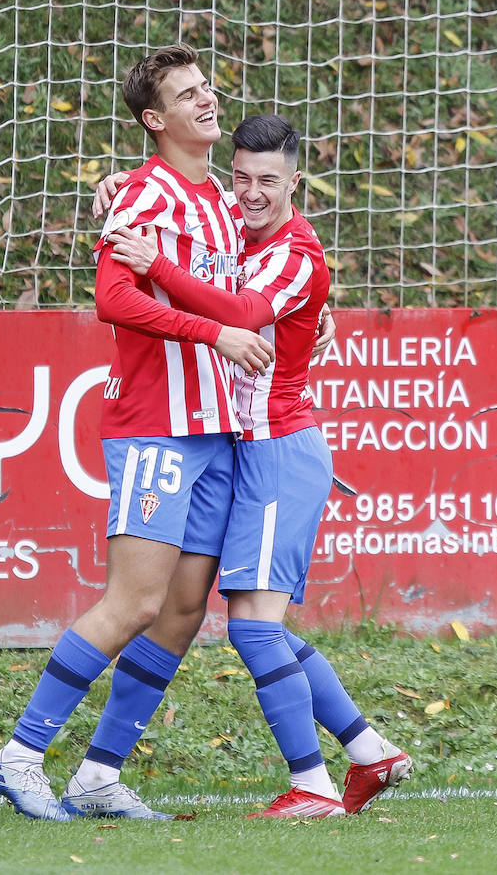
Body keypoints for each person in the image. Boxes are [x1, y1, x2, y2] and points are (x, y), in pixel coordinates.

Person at [0, 44, 276, 822]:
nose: (208, 101)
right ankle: (20, 755)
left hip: (217, 430)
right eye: (188, 94)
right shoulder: (143, 198)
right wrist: (213, 339)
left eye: (208, 87)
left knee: (182, 610)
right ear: (156, 120)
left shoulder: (216, 195)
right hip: (157, 428)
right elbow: (113, 299)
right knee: (134, 602)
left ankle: (99, 774)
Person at [104, 114, 412, 818]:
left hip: (279, 451)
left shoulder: (297, 253)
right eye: (240, 176)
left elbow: (242, 312)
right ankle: (368, 752)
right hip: (244, 449)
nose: (249, 192)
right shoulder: (232, 223)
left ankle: (313, 786)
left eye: (267, 180)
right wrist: (121, 189)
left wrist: (159, 269)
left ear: (294, 181)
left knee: (253, 627)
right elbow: (183, 206)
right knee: (248, 621)